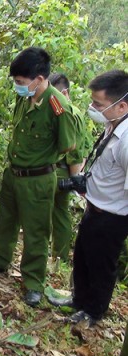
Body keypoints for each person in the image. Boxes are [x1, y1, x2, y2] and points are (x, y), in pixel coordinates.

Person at [0, 47, 77, 307]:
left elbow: (68, 146)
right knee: (5, 222)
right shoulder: (24, 98)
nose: (18, 87)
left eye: (21, 82)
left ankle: (33, 282)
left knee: (36, 233)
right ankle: (0, 260)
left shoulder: (57, 106)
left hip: (38, 179)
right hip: (13, 173)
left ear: (39, 80)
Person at [50, 70, 128, 326]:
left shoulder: (127, 139)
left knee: (101, 265)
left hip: (112, 217)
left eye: (99, 104)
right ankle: (79, 299)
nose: (92, 107)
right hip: (95, 207)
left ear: (122, 106)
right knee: (83, 257)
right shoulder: (112, 125)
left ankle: (94, 311)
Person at [49, 73, 87, 261]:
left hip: (60, 172)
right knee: (59, 214)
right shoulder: (65, 110)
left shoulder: (69, 112)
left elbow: (74, 150)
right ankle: (59, 256)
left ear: (64, 92)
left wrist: (74, 179)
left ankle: (59, 257)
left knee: (57, 213)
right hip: (60, 170)